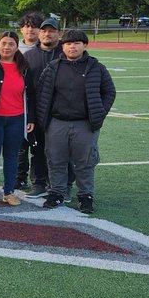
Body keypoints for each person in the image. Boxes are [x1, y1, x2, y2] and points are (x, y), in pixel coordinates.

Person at [34, 30, 115, 214]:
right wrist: (43, 118)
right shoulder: (53, 67)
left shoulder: (96, 67)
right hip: (57, 122)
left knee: (85, 162)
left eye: (77, 43)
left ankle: (86, 196)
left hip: (85, 124)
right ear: (62, 46)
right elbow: (41, 93)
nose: (73, 46)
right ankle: (57, 193)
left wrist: (99, 112)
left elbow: (109, 91)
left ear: (85, 45)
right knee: (56, 160)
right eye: (69, 43)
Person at [0, 31, 34, 207]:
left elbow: (31, 95)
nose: (7, 47)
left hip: (16, 119)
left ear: (17, 46)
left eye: (11, 44)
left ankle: (9, 192)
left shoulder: (24, 67)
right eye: (4, 43)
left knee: (11, 156)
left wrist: (30, 118)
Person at [22, 17, 63, 197]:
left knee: (61, 151)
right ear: (40, 32)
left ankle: (61, 186)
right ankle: (38, 183)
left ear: (58, 34)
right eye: (44, 30)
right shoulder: (29, 56)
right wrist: (29, 115)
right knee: (37, 149)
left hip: (61, 112)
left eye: (52, 31)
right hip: (37, 111)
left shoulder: (66, 52)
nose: (47, 34)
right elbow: (25, 89)